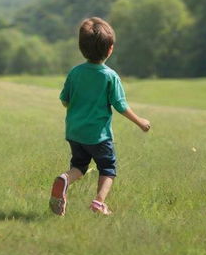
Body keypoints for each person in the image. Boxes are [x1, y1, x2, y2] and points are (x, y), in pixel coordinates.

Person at [49, 16, 150, 216]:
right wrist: (141, 122)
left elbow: (64, 100)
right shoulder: (110, 76)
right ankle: (99, 203)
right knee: (108, 168)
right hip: (98, 136)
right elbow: (120, 105)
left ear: (81, 47)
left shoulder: (75, 73)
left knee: (79, 165)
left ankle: (65, 178)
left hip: (75, 132)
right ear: (110, 48)